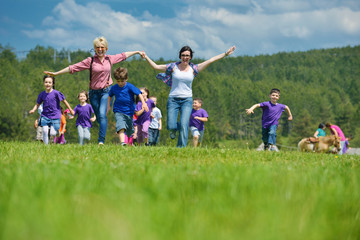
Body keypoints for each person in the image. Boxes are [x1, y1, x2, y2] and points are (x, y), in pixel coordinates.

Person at [44, 36, 144, 145]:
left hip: (106, 91)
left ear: (106, 48)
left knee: (102, 114)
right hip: (93, 94)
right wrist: (56, 73)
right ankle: (104, 137)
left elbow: (124, 55)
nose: (100, 49)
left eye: (102, 47)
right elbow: (73, 67)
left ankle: (101, 141)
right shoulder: (90, 61)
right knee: (99, 117)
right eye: (97, 47)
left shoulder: (110, 59)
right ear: (94, 48)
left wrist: (137, 52)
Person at [143, 45, 236, 147]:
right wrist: (146, 56)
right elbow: (155, 66)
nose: (185, 57)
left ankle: (181, 148)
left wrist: (225, 54)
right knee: (171, 125)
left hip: (187, 100)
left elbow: (210, 60)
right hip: (173, 100)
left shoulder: (194, 68)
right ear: (180, 56)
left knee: (184, 124)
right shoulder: (173, 67)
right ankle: (173, 130)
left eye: (187, 55)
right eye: (183, 55)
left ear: (190, 57)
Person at [106, 67, 148, 146]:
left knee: (129, 130)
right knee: (121, 126)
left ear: (126, 79)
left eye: (122, 81)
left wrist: (144, 103)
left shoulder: (130, 86)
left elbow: (139, 94)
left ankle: (130, 144)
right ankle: (122, 143)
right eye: (118, 81)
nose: (120, 83)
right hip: (118, 111)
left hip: (129, 112)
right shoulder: (114, 88)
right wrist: (108, 106)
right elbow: (109, 96)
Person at [29, 75, 74, 145]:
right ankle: (46, 147)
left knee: (53, 133)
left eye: (50, 82)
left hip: (55, 116)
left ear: (53, 84)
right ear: (43, 83)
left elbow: (64, 101)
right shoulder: (42, 94)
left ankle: (54, 136)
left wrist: (70, 110)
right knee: (45, 131)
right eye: (46, 82)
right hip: (45, 116)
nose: (48, 84)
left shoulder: (56, 93)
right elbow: (37, 104)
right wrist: (33, 110)